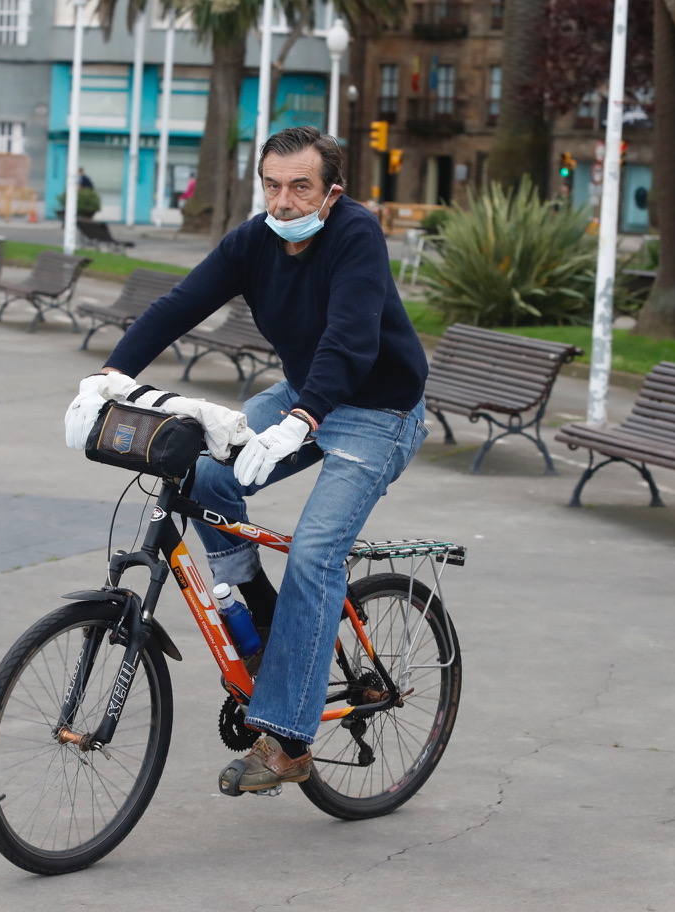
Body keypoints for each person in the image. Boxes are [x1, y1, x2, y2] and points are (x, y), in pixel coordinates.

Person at [62, 125, 429, 794]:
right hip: (305, 392)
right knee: (200, 474)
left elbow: (348, 340)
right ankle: (256, 603)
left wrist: (300, 421)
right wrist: (110, 377)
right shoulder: (255, 240)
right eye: (272, 185)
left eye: (300, 188)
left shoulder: (356, 235)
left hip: (379, 411)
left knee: (316, 555)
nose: (283, 201)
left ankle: (289, 742)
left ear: (332, 192)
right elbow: (179, 305)